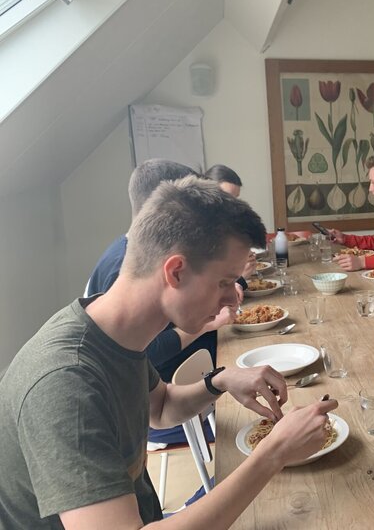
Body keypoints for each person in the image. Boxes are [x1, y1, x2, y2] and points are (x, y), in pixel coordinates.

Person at [0, 176, 338, 529]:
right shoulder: (64, 383)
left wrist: (219, 381)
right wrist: (274, 453)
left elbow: (160, 408)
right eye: (224, 282)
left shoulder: (114, 334)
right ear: (175, 271)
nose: (232, 299)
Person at [86, 159, 236, 385]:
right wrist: (209, 325)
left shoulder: (140, 252)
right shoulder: (123, 268)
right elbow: (149, 353)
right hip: (173, 386)